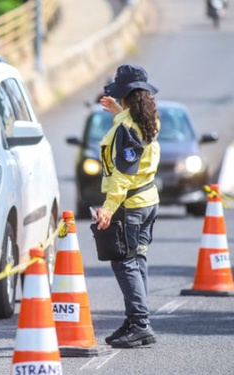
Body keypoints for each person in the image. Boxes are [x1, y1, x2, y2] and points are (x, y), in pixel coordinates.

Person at [94, 64, 161, 349]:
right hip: (147, 202)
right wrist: (117, 112)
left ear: (123, 96)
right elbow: (130, 137)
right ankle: (136, 319)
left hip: (130, 206)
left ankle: (140, 324)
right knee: (137, 260)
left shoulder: (127, 128)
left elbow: (122, 173)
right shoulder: (147, 120)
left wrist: (108, 208)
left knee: (125, 263)